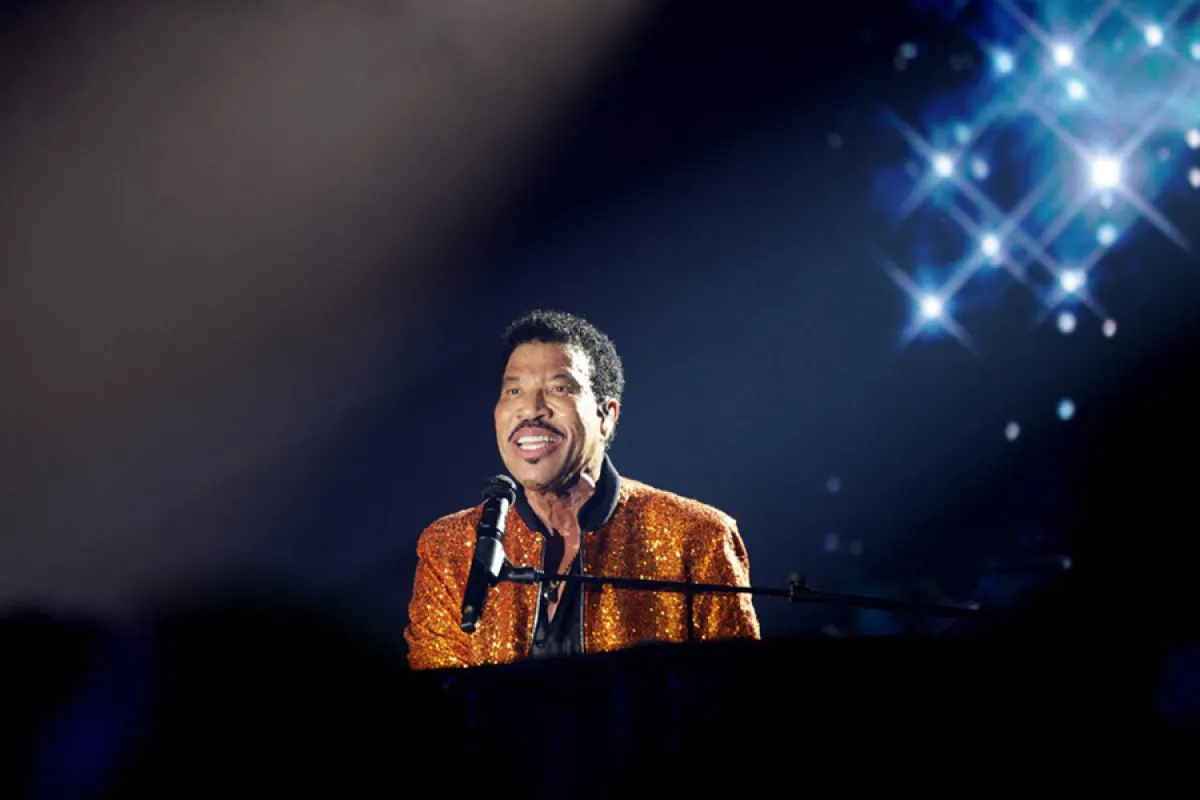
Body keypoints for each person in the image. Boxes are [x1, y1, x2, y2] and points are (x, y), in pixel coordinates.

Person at [404, 310, 760, 670]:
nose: (531, 409)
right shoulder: (448, 548)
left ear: (607, 416)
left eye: (559, 388)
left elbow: (733, 700)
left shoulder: (697, 537)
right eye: (514, 390)